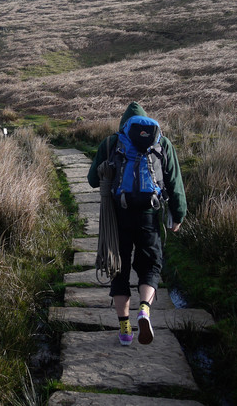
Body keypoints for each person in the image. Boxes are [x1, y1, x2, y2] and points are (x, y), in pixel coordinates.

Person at [87, 102, 187, 346]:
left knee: (118, 268)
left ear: (124, 124)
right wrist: (179, 215)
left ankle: (124, 330)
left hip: (118, 217)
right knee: (151, 266)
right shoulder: (162, 143)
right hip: (149, 215)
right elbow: (175, 184)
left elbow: (91, 180)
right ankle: (144, 310)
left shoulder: (111, 143)